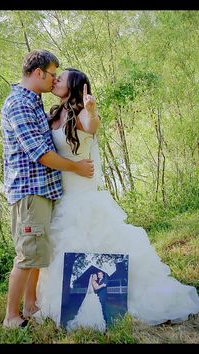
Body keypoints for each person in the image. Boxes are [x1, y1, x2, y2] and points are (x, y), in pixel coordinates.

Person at [36, 68, 199, 330]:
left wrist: (92, 109)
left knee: (94, 243)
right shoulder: (54, 114)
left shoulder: (81, 115)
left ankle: (104, 303)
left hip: (82, 196)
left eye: (61, 78)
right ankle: (68, 301)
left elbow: (92, 126)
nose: (55, 80)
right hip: (61, 195)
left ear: (74, 86)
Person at [1, 52, 94, 328]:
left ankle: (30, 306)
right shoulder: (19, 104)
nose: (55, 79)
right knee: (27, 255)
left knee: (38, 254)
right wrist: (76, 168)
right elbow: (40, 153)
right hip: (30, 191)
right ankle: (11, 316)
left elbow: (86, 127)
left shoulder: (35, 103)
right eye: (53, 73)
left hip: (44, 191)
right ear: (39, 73)